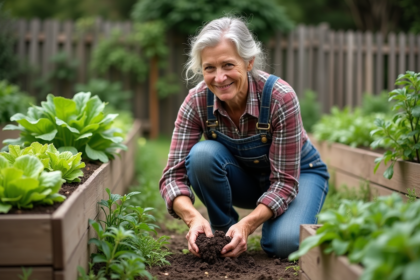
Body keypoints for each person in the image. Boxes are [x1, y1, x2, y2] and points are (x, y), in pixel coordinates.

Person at [159, 16, 329, 259]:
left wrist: (249, 225)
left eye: (228, 65)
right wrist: (192, 217)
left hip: (298, 176)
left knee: (285, 244)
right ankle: (225, 235)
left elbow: (285, 182)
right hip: (246, 179)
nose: (219, 78)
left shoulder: (280, 98)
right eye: (209, 68)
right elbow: (172, 177)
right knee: (202, 156)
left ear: (249, 62)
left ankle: (290, 218)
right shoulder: (196, 101)